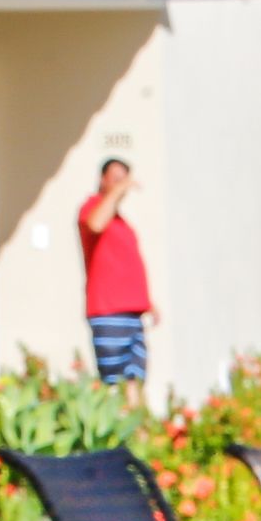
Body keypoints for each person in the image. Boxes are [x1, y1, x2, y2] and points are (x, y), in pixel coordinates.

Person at [79, 158, 155, 394]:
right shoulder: (91, 207)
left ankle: (137, 429)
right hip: (109, 313)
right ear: (103, 180)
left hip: (132, 315)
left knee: (135, 379)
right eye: (116, 179)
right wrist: (118, 191)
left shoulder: (121, 222)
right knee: (115, 384)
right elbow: (96, 223)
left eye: (125, 179)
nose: (123, 185)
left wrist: (150, 303)